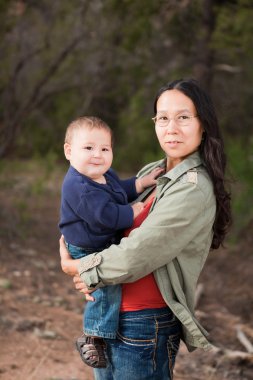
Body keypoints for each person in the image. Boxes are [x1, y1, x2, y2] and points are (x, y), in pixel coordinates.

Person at [59, 79, 232, 380]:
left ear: (202, 124)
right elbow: (95, 213)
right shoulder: (155, 172)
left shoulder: (192, 188)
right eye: (163, 118)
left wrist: (78, 268)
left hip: (144, 323)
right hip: (113, 317)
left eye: (183, 117)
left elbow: (138, 253)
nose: (171, 128)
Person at [59, 116, 163, 368]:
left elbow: (120, 190)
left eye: (105, 149)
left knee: (107, 285)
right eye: (88, 148)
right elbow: (104, 217)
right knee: (106, 287)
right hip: (87, 246)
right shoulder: (79, 186)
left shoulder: (104, 174)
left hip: (98, 242)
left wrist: (140, 183)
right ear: (69, 151)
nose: (98, 155)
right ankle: (93, 336)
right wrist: (133, 212)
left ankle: (99, 333)